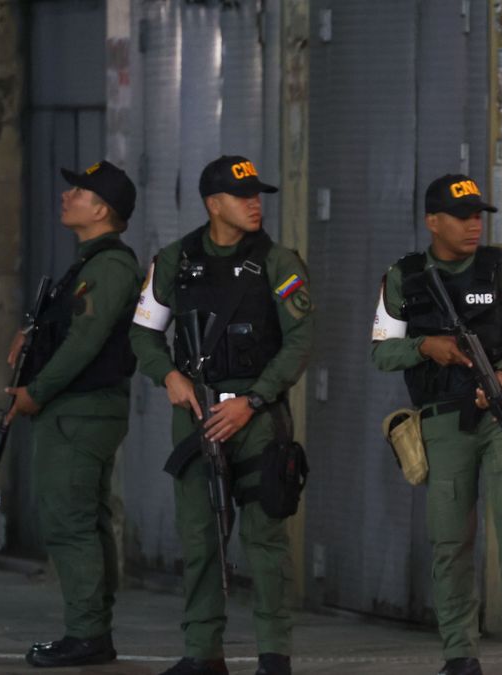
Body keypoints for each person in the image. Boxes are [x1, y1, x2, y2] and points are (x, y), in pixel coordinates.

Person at [130, 155, 313, 675]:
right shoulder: (174, 260)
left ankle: (274, 655)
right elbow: (143, 332)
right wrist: (169, 375)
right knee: (200, 537)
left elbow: (300, 341)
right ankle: (203, 654)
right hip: (196, 412)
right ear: (214, 204)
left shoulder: (279, 264)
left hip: (257, 419)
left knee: (265, 540)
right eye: (243, 196)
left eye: (258, 195)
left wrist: (253, 401)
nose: (255, 203)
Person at [371, 174, 502, 675]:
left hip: (501, 415)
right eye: (462, 216)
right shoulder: (403, 277)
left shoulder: (501, 269)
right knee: (450, 539)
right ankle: (459, 651)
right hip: (444, 421)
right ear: (433, 221)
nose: (474, 225)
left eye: (479, 216)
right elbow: (381, 351)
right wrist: (424, 347)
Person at [5, 160, 142, 668]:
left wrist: (34, 393)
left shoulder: (108, 267)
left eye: (78, 191)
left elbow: (83, 344)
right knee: (85, 518)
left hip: (80, 411)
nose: (68, 196)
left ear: (101, 208)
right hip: (79, 410)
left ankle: (86, 633)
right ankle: (92, 629)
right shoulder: (90, 263)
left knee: (70, 521)